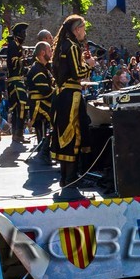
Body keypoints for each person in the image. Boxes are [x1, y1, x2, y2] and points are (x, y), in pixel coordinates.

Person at [50, 15, 91, 187]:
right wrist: (89, 65)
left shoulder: (61, 47)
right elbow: (77, 74)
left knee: (63, 135)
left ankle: (65, 177)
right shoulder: (73, 47)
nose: (85, 32)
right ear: (77, 29)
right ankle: (71, 178)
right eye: (83, 28)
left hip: (61, 95)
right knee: (74, 134)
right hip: (71, 95)